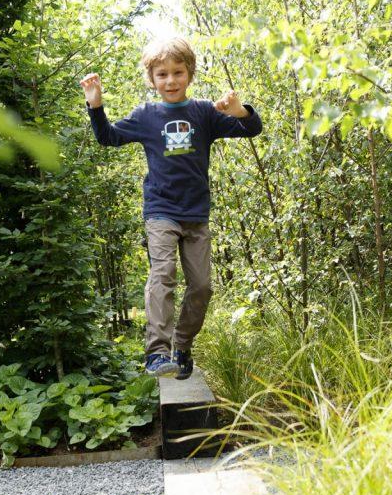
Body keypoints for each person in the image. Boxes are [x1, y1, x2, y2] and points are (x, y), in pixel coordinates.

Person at [79, 36, 262, 379]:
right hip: (161, 210)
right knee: (162, 276)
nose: (171, 81)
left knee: (202, 286)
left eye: (178, 73)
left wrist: (240, 110)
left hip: (196, 214)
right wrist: (95, 105)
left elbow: (251, 128)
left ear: (190, 74)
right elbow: (109, 138)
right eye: (162, 75)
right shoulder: (147, 115)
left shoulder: (205, 112)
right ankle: (156, 354)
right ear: (152, 80)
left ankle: (181, 343)